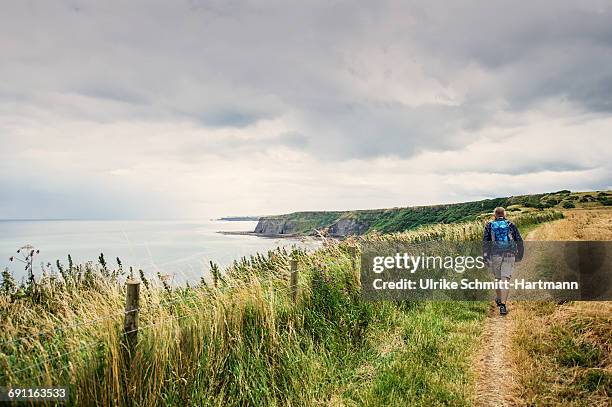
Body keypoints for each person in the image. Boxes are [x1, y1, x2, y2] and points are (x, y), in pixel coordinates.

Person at [483, 207, 523, 315]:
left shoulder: (489, 225)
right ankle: (503, 305)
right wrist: (520, 254)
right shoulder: (510, 224)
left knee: (497, 279)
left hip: (495, 255)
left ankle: (499, 298)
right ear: (504, 214)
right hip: (510, 254)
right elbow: (519, 240)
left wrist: (485, 256)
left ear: (494, 215)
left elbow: (485, 243)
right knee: (505, 280)